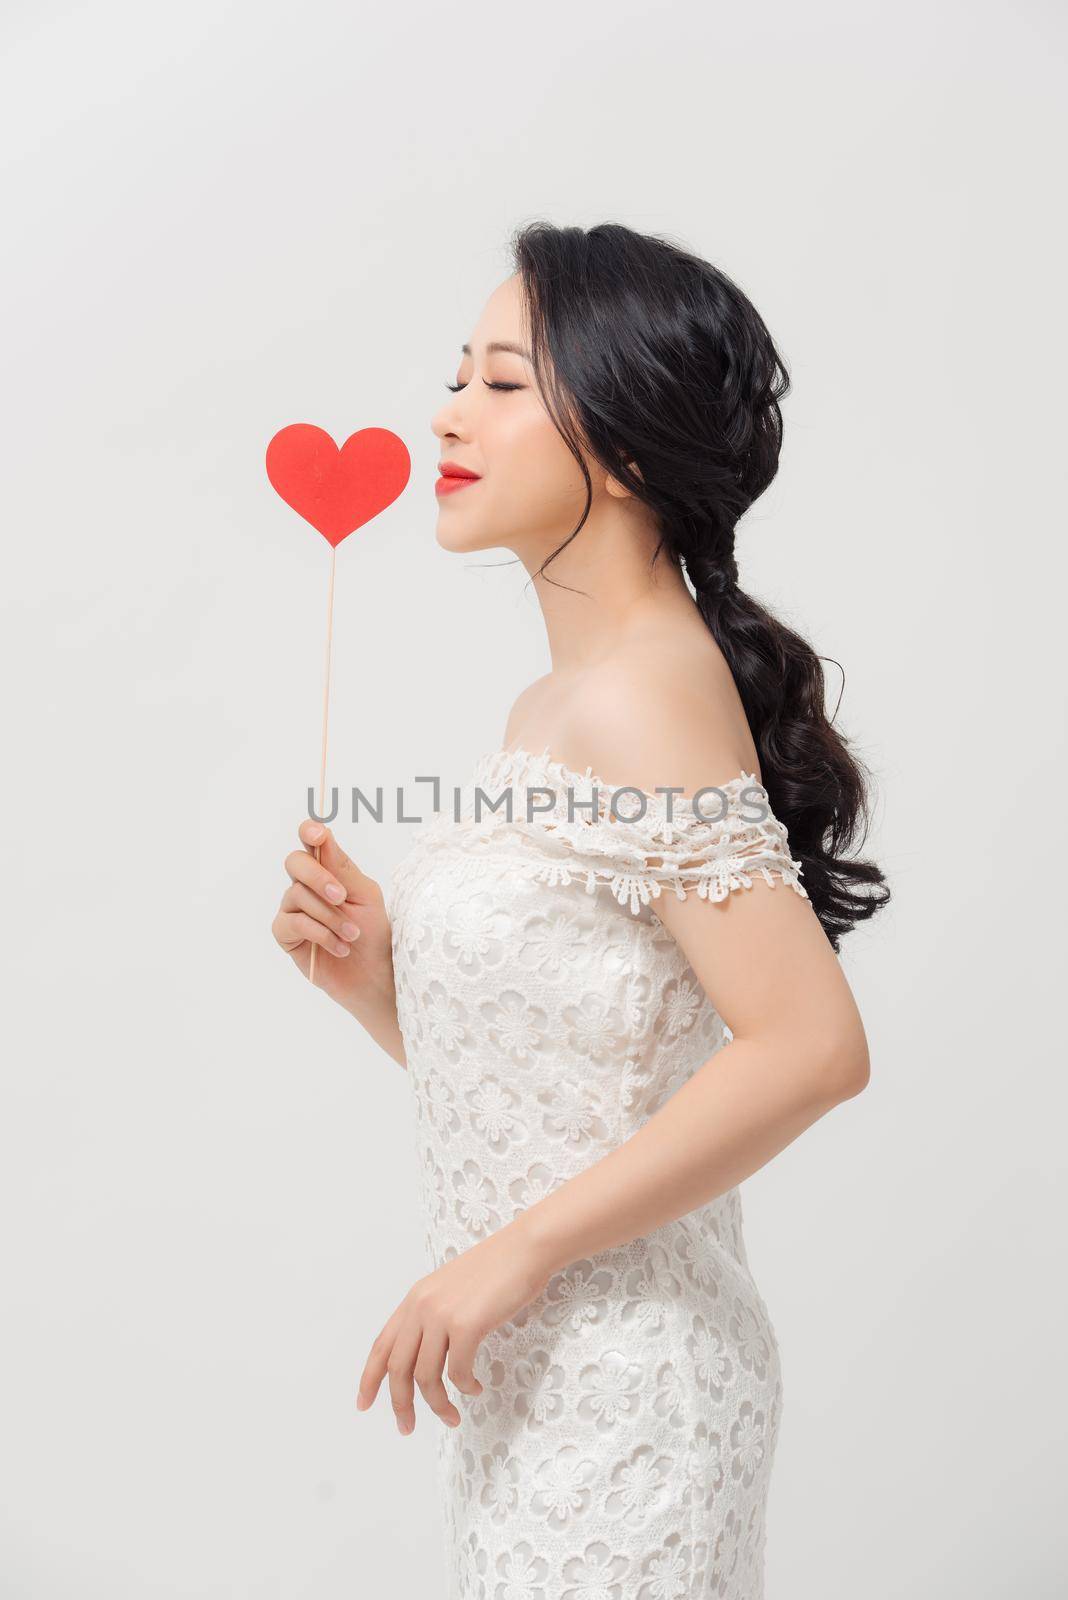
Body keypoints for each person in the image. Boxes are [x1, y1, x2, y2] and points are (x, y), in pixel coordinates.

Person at [271, 220, 890, 1599]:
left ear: (619, 444)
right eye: (460, 375)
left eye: (502, 383)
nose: (449, 413)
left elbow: (811, 1048)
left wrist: (516, 1253)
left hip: (630, 1395)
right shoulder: (556, 705)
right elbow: (577, 1088)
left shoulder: (642, 692)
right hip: (537, 1390)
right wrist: (380, 978)